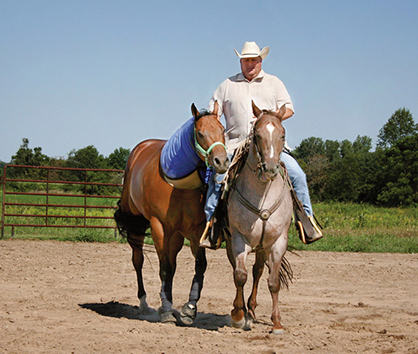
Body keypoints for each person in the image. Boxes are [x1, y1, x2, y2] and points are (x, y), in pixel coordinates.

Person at [200, 41, 322, 248]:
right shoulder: (226, 85)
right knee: (218, 178)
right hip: (235, 146)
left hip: (270, 146)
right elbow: (214, 113)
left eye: (254, 60)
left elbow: (289, 109)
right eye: (246, 60)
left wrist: (269, 117)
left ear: (261, 60)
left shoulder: (274, 83)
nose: (250, 64)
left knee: (298, 175)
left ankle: (306, 222)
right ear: (241, 62)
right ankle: (212, 226)